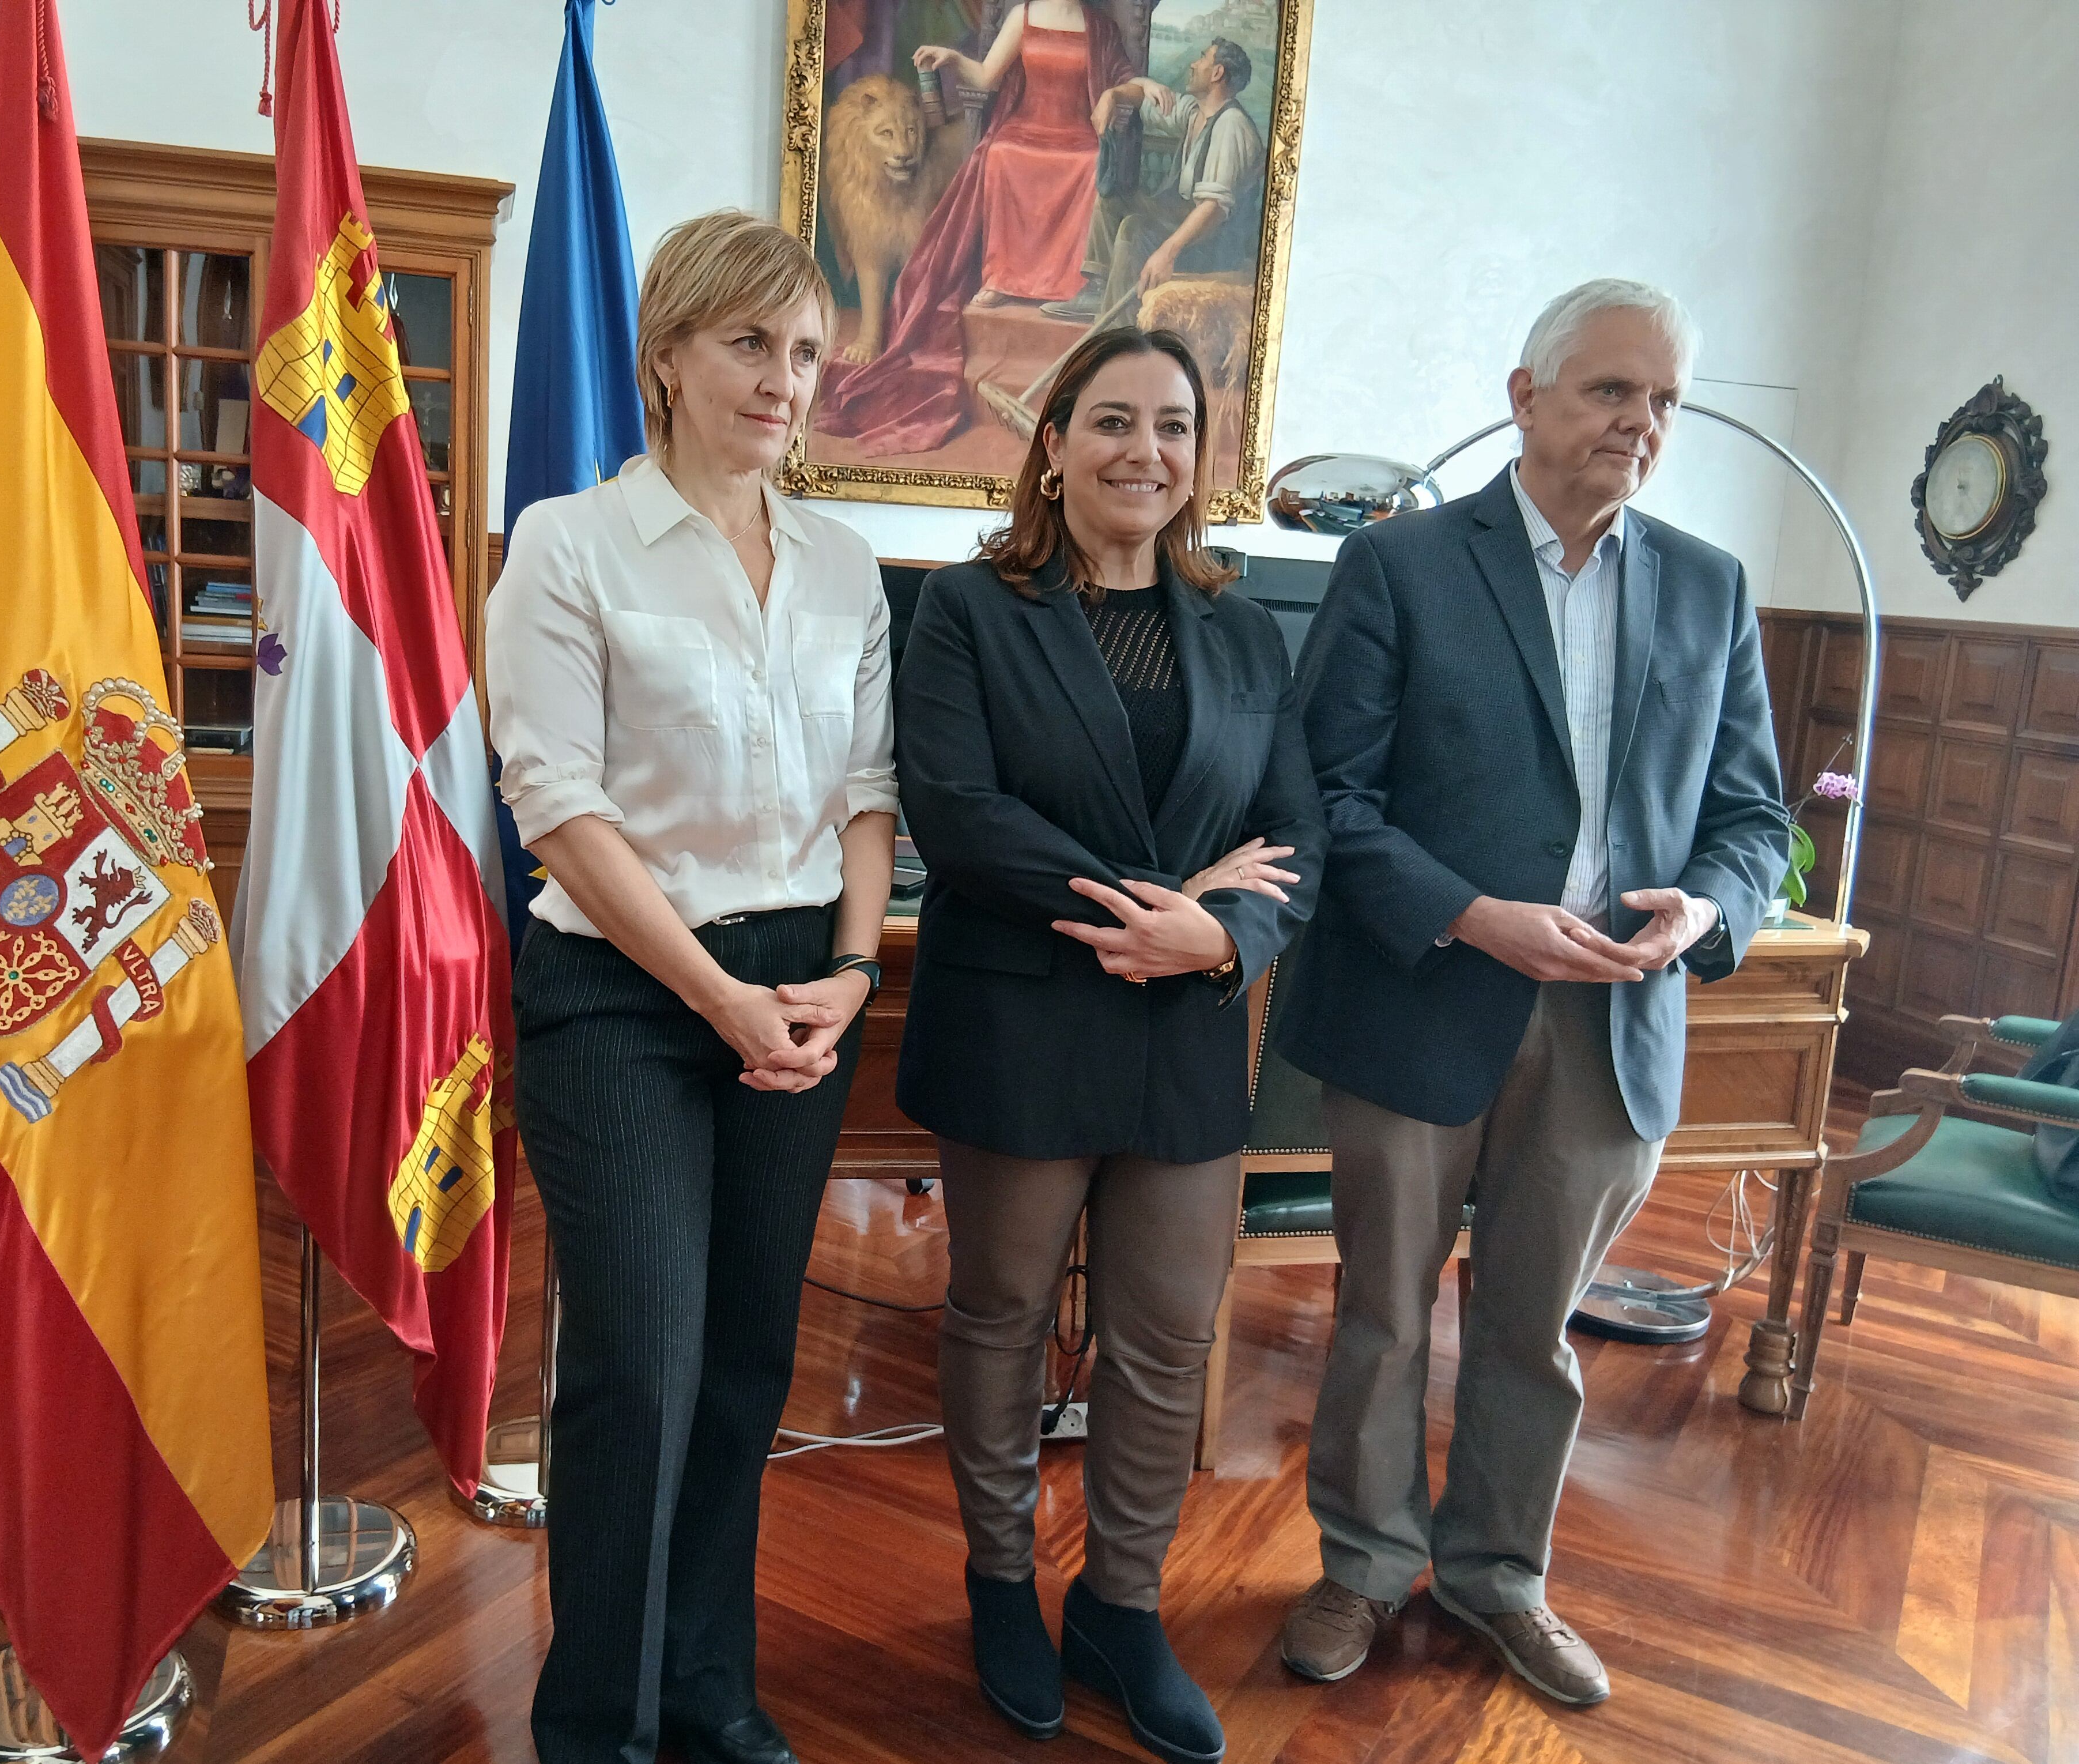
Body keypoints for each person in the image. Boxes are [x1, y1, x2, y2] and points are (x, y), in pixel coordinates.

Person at [1276, 280, 1791, 1706]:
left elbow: (1752, 822)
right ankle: (1361, 1568)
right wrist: (1466, 915)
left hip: (1612, 1019)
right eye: (1608, 391)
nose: (1638, 422)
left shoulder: (1707, 586)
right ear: (1525, 396)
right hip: (1421, 997)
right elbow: (1327, 792)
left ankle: (1498, 1576)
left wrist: (1702, 909)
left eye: (1663, 401)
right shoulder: (1400, 568)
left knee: (1531, 1331)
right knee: (1381, 1315)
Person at [488, 209, 899, 1764]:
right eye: (750, 344)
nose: (784, 378)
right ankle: (597, 1720)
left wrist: (851, 972)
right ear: (668, 356)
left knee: (743, 1367)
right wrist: (719, 999)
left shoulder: (847, 565)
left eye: (804, 350)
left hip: (805, 984)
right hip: (621, 992)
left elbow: (869, 792)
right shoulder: (570, 545)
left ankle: (709, 1688)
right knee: (639, 1366)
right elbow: (561, 809)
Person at [894, 326, 1326, 1764]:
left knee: (1164, 1335)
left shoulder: (1243, 626)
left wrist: (1222, 939)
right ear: (1053, 442)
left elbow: (1295, 840)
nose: (1144, 450)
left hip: (1186, 1029)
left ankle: (1122, 1605)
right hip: (1023, 1016)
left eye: (1173, 427)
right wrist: (1155, 908)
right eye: (1112, 421)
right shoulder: (969, 609)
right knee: (1000, 1316)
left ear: (1202, 460)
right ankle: (1001, 1582)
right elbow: (954, 813)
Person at [818, 0, 1135, 454]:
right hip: (1026, 126)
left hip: (1078, 132)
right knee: (1002, 154)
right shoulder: (1022, 16)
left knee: (1087, 164)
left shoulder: (1098, 27)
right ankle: (1004, 277)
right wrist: (952, 60)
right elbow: (987, 76)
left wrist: (1114, 95)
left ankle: (1069, 280)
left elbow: (1126, 79)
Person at [1044, 37, 1265, 323]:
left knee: (1134, 229)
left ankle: (1116, 328)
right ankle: (1098, 292)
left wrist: (1167, 252)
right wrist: (1112, 95)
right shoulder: (1193, 113)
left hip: (1214, 245)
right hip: (1186, 219)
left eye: (1202, 58)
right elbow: (1140, 97)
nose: (1193, 64)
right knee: (1113, 199)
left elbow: (1214, 209)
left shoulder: (1231, 125)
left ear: (1217, 74)